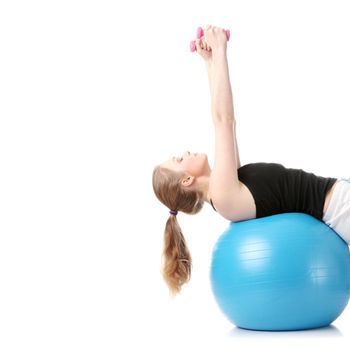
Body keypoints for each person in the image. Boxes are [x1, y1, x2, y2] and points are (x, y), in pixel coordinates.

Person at [152, 25, 350, 295]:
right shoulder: (223, 196)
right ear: (186, 180)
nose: (184, 152)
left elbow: (228, 126)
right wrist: (221, 50)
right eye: (178, 159)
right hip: (341, 209)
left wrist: (209, 63)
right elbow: (223, 119)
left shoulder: (227, 183)